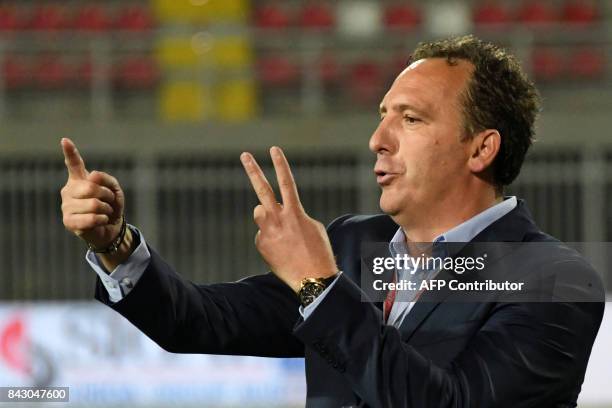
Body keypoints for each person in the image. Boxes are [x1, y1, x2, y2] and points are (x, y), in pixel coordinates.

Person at [60, 35, 604, 407]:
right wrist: (116, 245)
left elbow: (451, 402)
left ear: (481, 149)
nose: (378, 139)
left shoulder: (551, 279)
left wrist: (321, 288)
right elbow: (199, 320)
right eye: (382, 116)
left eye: (410, 119)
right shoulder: (353, 245)